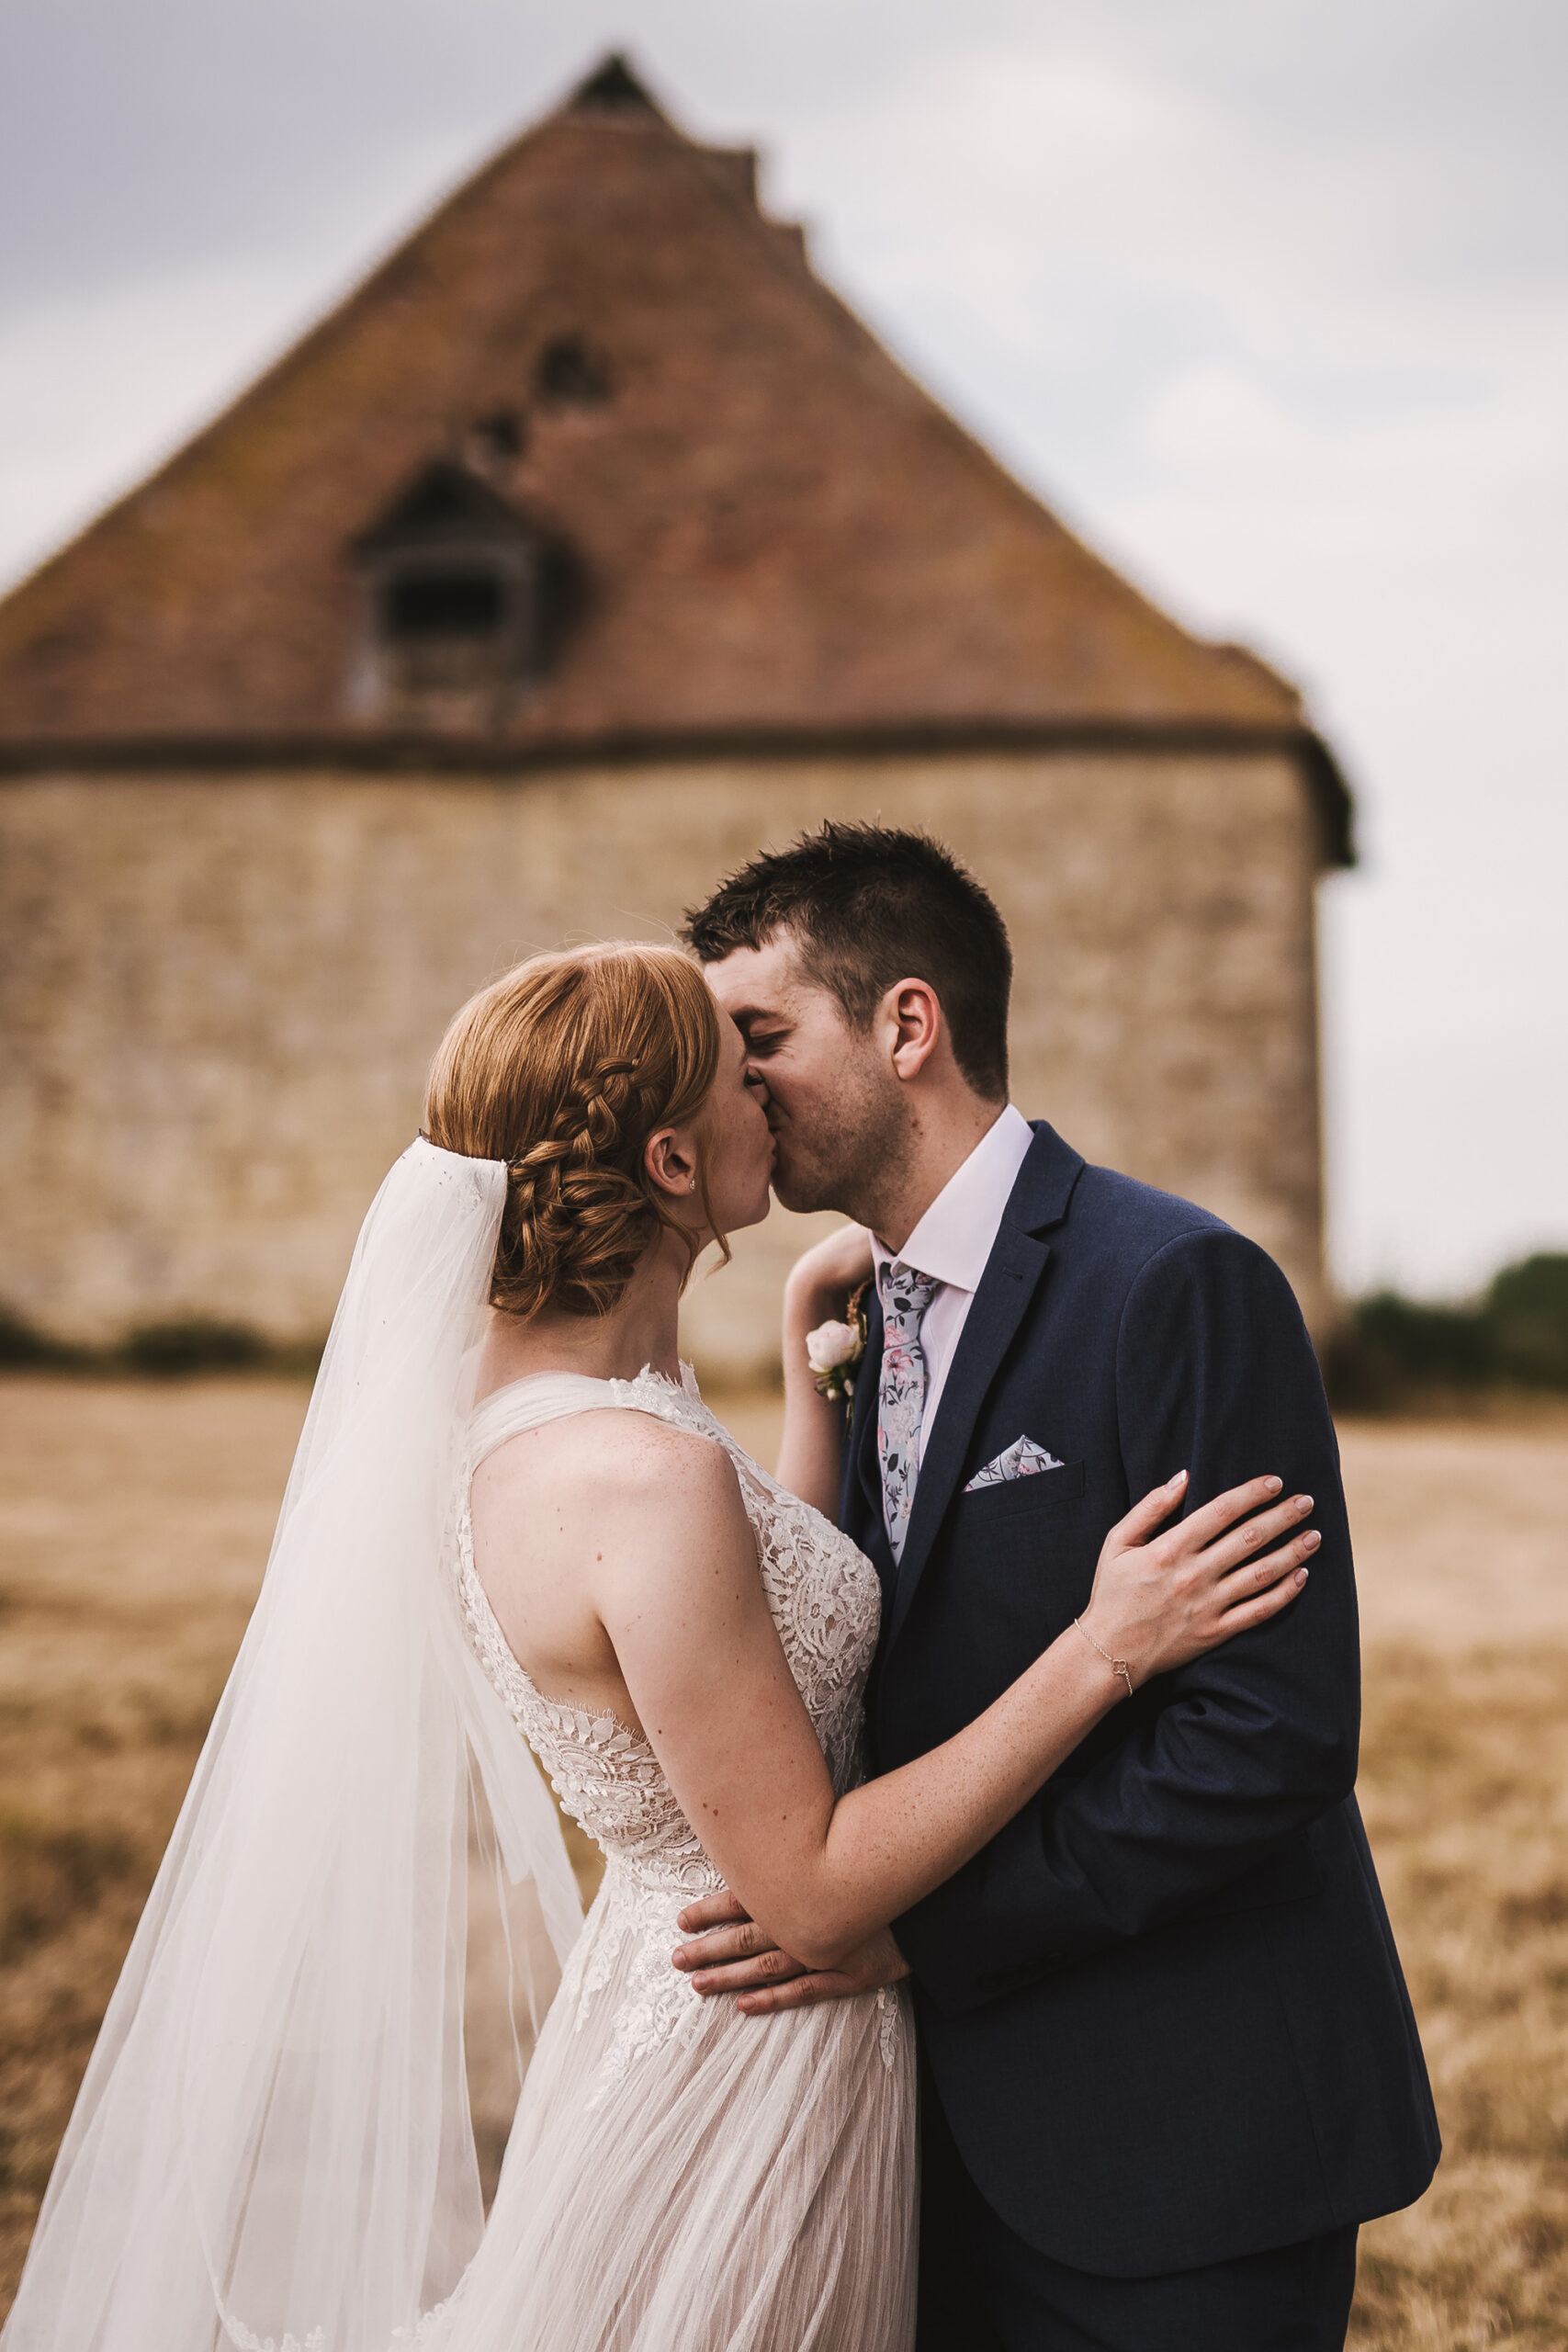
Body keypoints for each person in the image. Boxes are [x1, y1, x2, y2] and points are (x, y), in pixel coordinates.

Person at [1, 942, 1314, 2352]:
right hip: (750, 2057)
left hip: (661, 2000)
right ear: (676, 1167)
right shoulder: (635, 1475)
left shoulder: (530, 1412)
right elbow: (806, 1895)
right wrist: (1102, 1652)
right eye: (735, 1068)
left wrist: (821, 1388)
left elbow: (746, 1648)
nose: (767, 1091)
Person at [676, 823, 1440, 2352]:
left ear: (907, 1024)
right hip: (925, 2145)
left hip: (1182, 2148)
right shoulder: (855, 1311)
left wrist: (921, 1936)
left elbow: (1265, 1737)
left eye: (761, 1038)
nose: (735, 1086)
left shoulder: (1173, 1282)